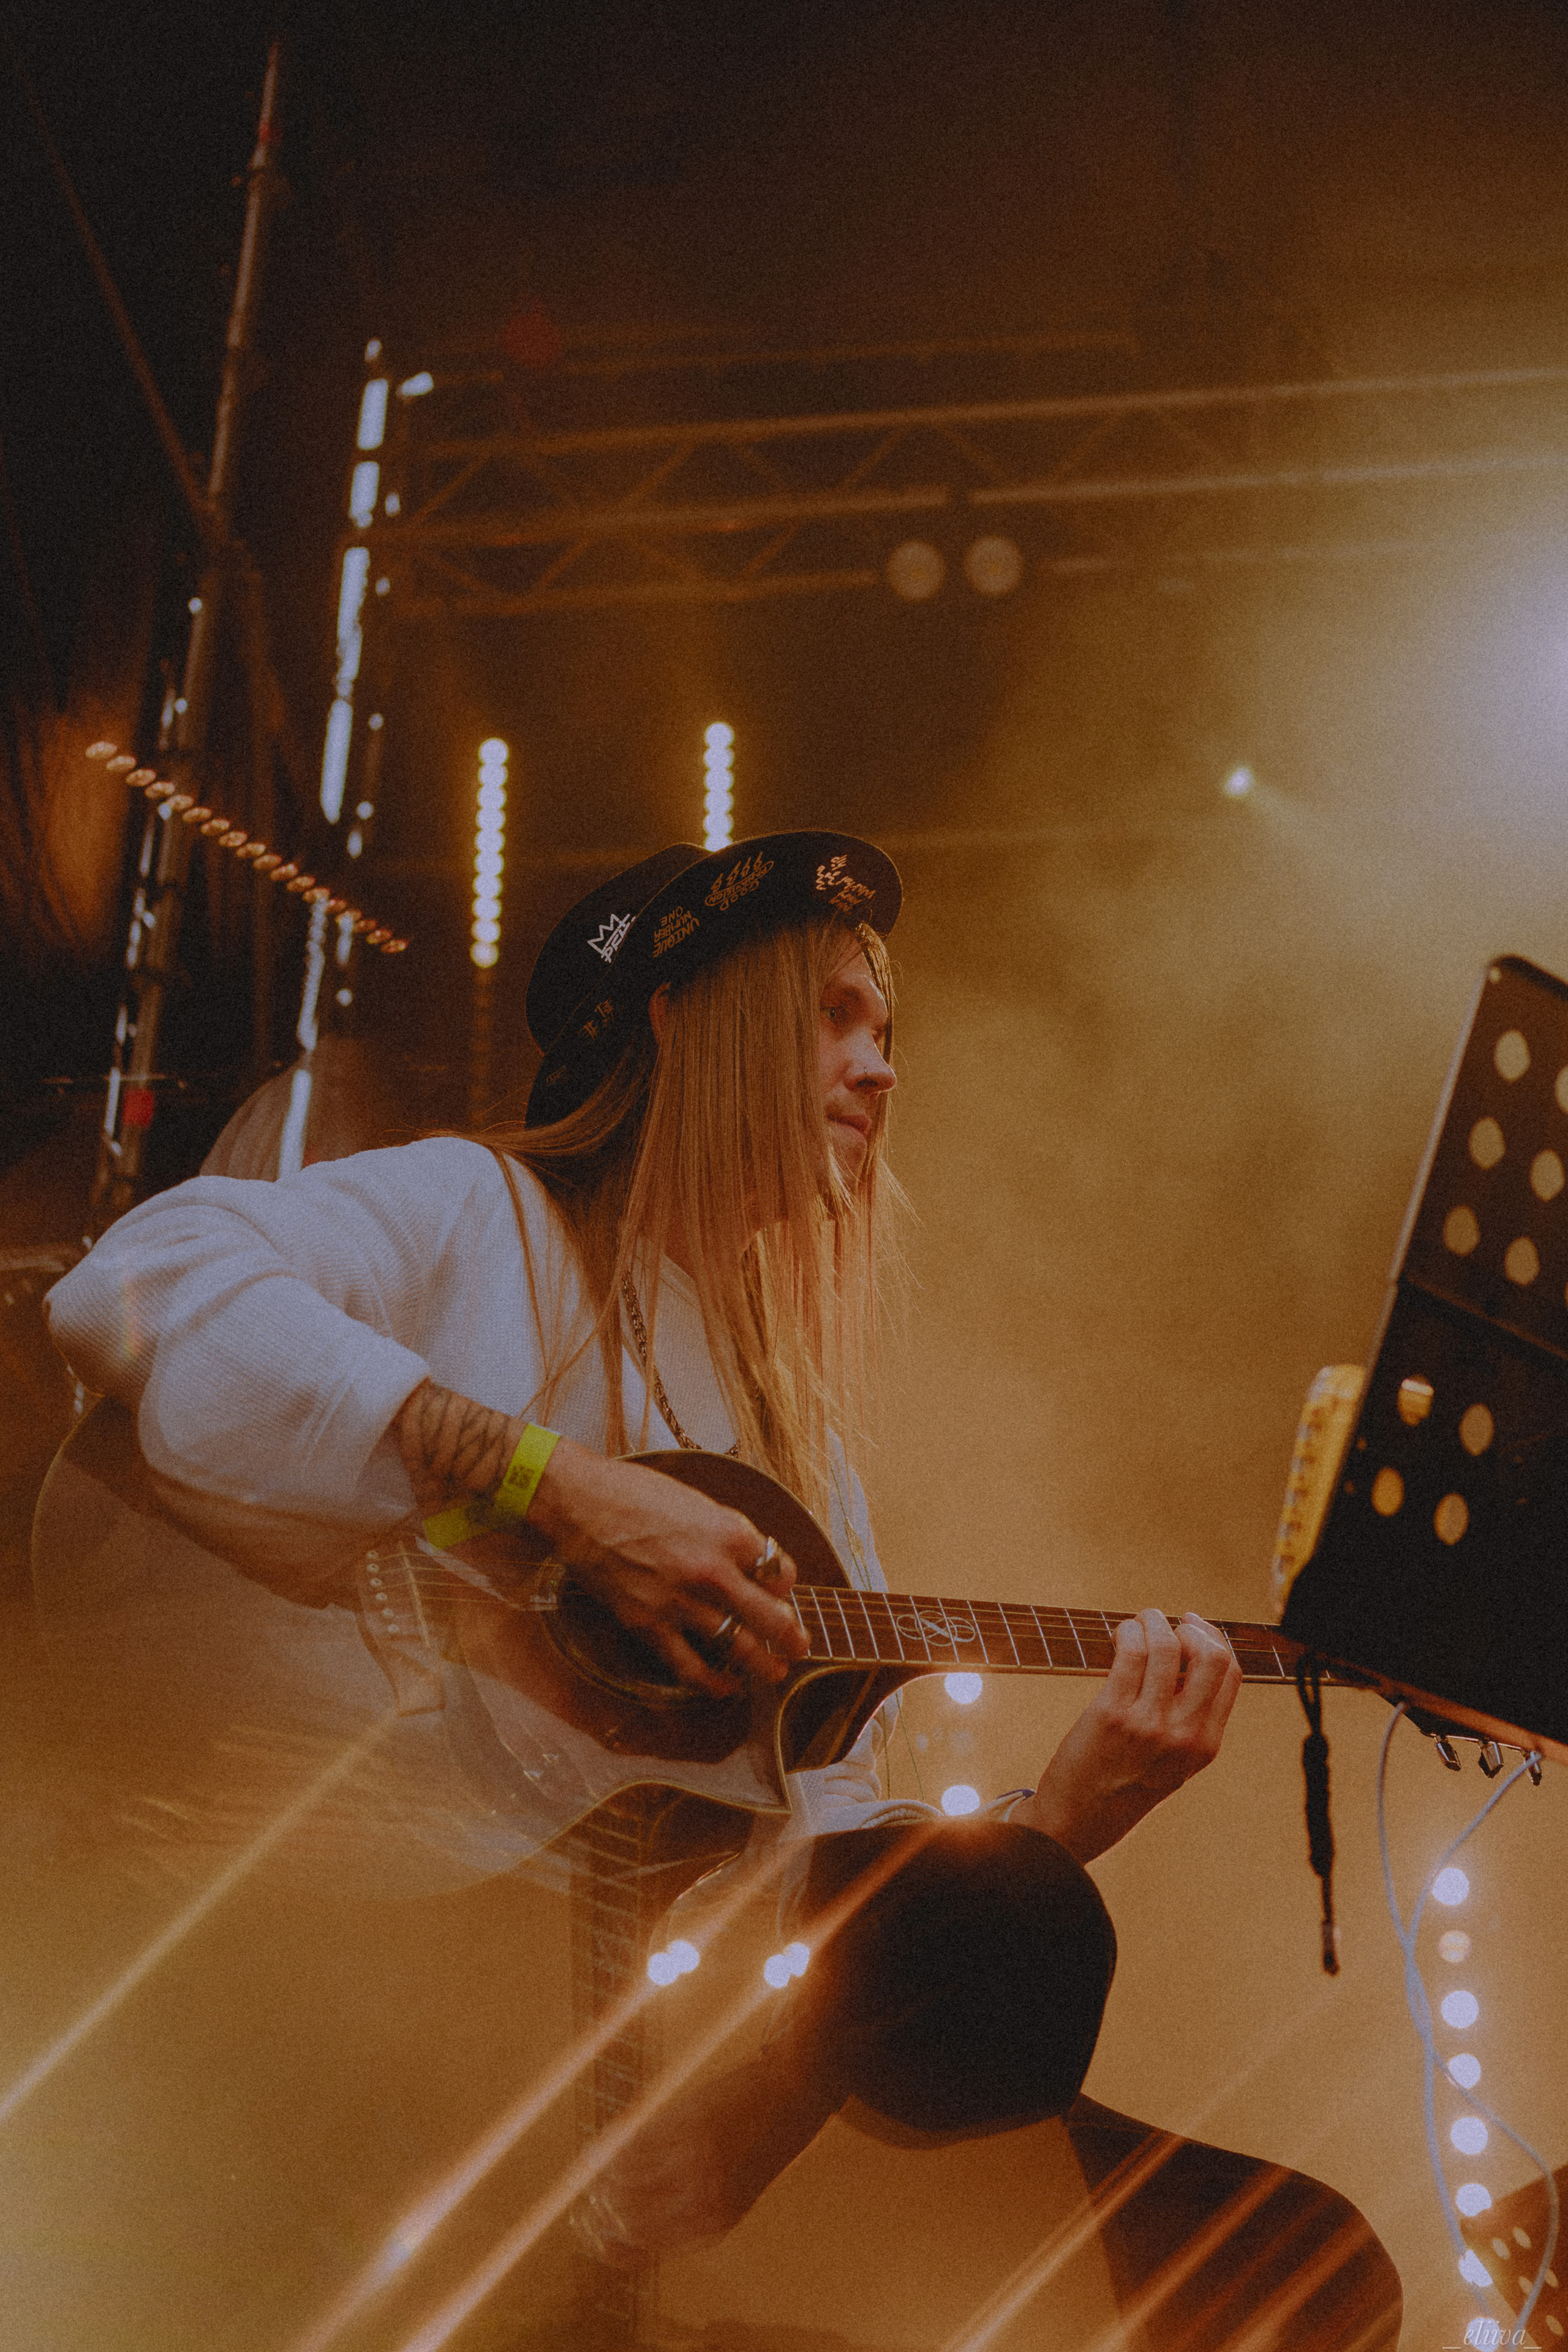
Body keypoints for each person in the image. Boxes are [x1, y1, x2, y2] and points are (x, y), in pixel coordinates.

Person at [40, 831, 1401, 2349]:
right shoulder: (477, 1216)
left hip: (556, 2067)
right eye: (833, 1016)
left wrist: (1061, 1821)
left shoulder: (791, 1438)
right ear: (679, 1017)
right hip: (279, 1998)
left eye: (886, 1031)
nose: (880, 1067)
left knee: (1299, 2271)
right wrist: (550, 1489)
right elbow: (132, 1289)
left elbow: (821, 1904)